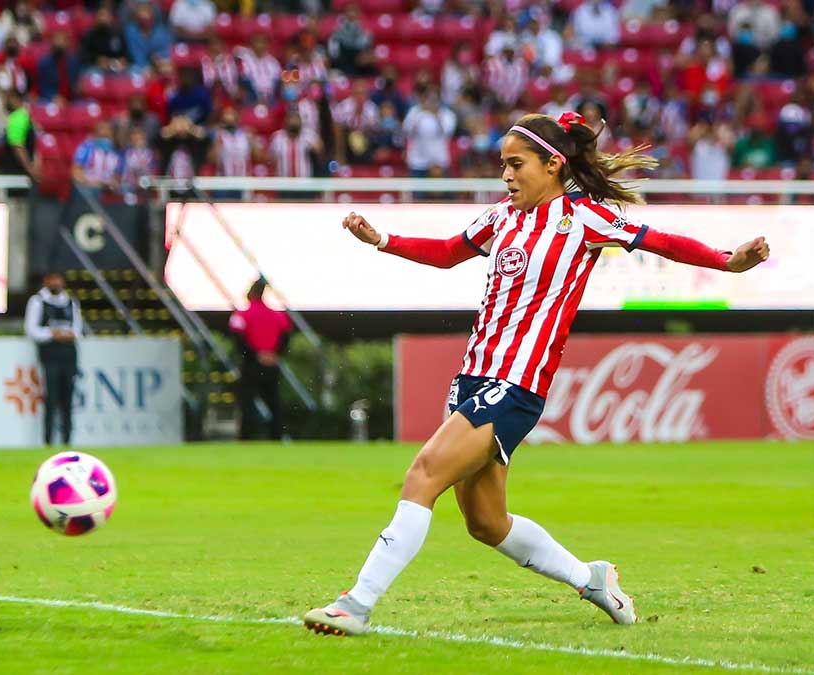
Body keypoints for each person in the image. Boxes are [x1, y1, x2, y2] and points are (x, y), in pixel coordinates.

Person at [302, 110, 771, 636]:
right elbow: (448, 253)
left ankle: (356, 604)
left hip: (516, 386)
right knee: (485, 523)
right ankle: (592, 578)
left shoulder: (583, 218)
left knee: (422, 475)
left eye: (515, 164)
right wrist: (383, 239)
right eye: (502, 165)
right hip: (472, 380)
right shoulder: (502, 216)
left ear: (553, 165)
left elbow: (659, 240)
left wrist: (726, 260)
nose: (505, 175)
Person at [24, 272, 83, 447]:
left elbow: (78, 330)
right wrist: (52, 334)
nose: (55, 282)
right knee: (51, 397)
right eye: (52, 279)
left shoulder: (71, 302)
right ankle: (48, 440)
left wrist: (69, 335)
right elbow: (31, 330)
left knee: (68, 398)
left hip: (69, 354)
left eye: (58, 279)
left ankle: (67, 439)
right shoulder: (37, 301)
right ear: (46, 281)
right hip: (49, 354)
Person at [229, 278, 291, 441]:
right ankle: (276, 436)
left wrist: (255, 355)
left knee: (247, 403)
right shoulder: (277, 315)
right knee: (274, 402)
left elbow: (238, 338)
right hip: (271, 363)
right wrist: (274, 354)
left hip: (251, 364)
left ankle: (247, 437)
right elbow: (286, 336)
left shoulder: (243, 314)